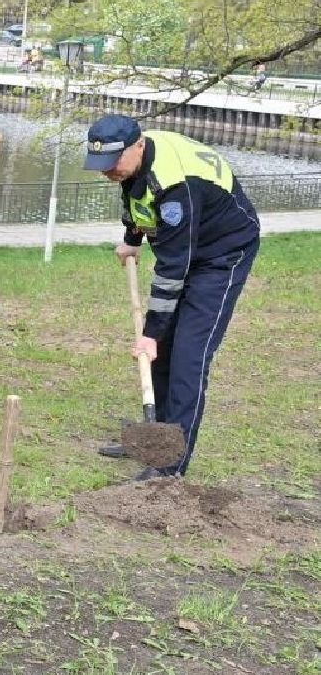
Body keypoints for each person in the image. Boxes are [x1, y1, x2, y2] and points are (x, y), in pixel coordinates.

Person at [82, 114, 261, 479]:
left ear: (138, 146)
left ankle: (170, 464)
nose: (107, 171)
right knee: (162, 353)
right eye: (101, 163)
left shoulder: (175, 182)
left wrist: (149, 333)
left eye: (113, 162)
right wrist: (132, 240)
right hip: (188, 246)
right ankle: (154, 439)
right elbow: (135, 195)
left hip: (221, 255)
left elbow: (173, 269)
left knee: (188, 358)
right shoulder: (135, 163)